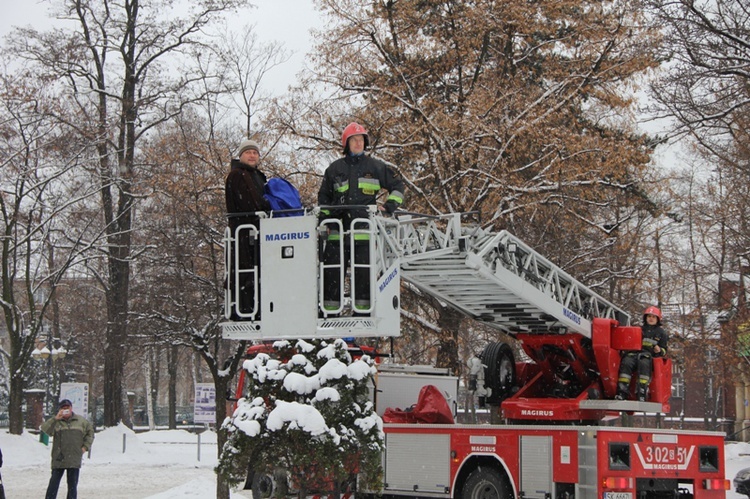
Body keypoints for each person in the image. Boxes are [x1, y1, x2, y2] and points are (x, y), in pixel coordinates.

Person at [318, 122, 404, 314]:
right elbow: (323, 198)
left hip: (363, 233)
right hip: (336, 232)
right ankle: (330, 315)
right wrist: (324, 222)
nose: (358, 143)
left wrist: (388, 207)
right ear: (346, 144)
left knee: (363, 275)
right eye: (354, 140)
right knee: (332, 275)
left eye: (361, 140)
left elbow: (398, 186)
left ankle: (362, 314)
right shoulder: (334, 169)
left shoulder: (375, 167)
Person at [225, 139, 272, 319]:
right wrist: (266, 207)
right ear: (241, 155)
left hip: (259, 232)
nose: (252, 155)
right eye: (248, 152)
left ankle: (256, 308)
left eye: (255, 152)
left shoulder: (257, 176)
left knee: (258, 270)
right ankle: (245, 310)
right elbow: (248, 203)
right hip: (244, 233)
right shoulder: (237, 175)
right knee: (245, 272)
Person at [41, 399, 95, 499]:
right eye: (63, 408)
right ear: (60, 409)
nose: (66, 410)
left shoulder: (81, 421)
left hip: (74, 458)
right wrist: (55, 419)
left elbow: (90, 433)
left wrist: (85, 447)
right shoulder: (56, 422)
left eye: (67, 408)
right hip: (59, 458)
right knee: (53, 485)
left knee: (72, 487)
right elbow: (45, 430)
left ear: (71, 408)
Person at [616, 306, 668, 401]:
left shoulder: (661, 333)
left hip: (648, 356)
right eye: (649, 316)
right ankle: (622, 392)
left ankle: (642, 392)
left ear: (658, 319)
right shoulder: (639, 329)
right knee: (626, 363)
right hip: (633, 354)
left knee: (644, 364)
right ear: (645, 318)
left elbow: (664, 349)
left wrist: (659, 350)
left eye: (653, 317)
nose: (651, 319)